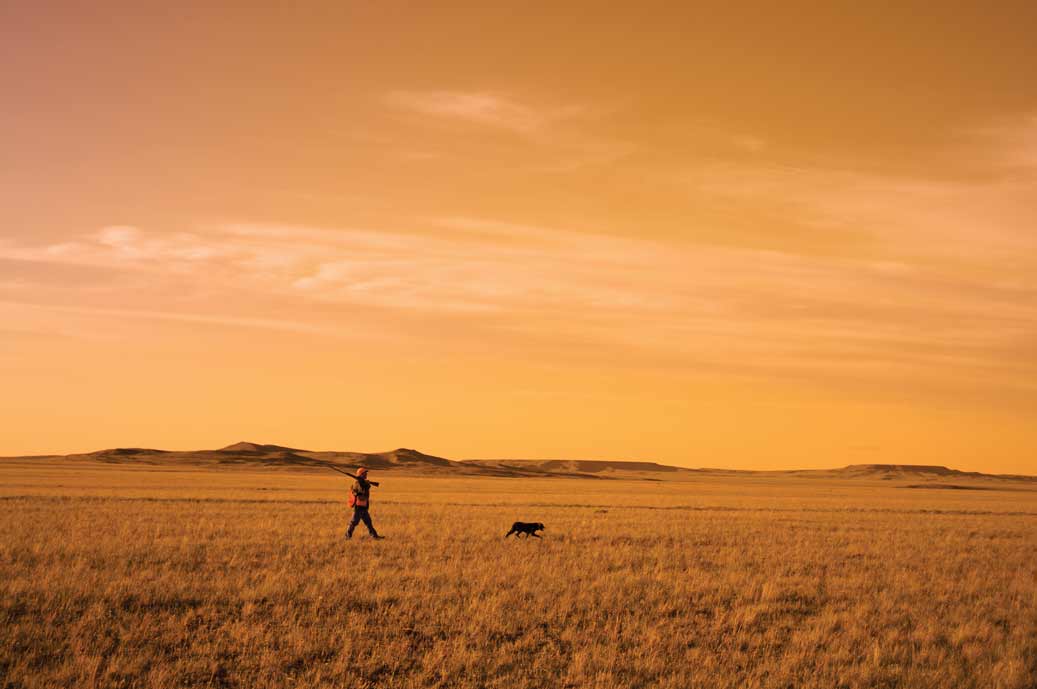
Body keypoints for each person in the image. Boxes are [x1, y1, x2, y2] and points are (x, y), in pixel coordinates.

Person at [346, 467, 383, 539]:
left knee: (368, 522)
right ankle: (347, 536)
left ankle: (374, 536)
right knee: (354, 522)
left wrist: (366, 482)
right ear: (361, 474)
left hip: (364, 506)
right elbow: (363, 490)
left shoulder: (363, 482)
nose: (366, 474)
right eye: (365, 473)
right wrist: (366, 483)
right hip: (359, 507)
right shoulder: (358, 483)